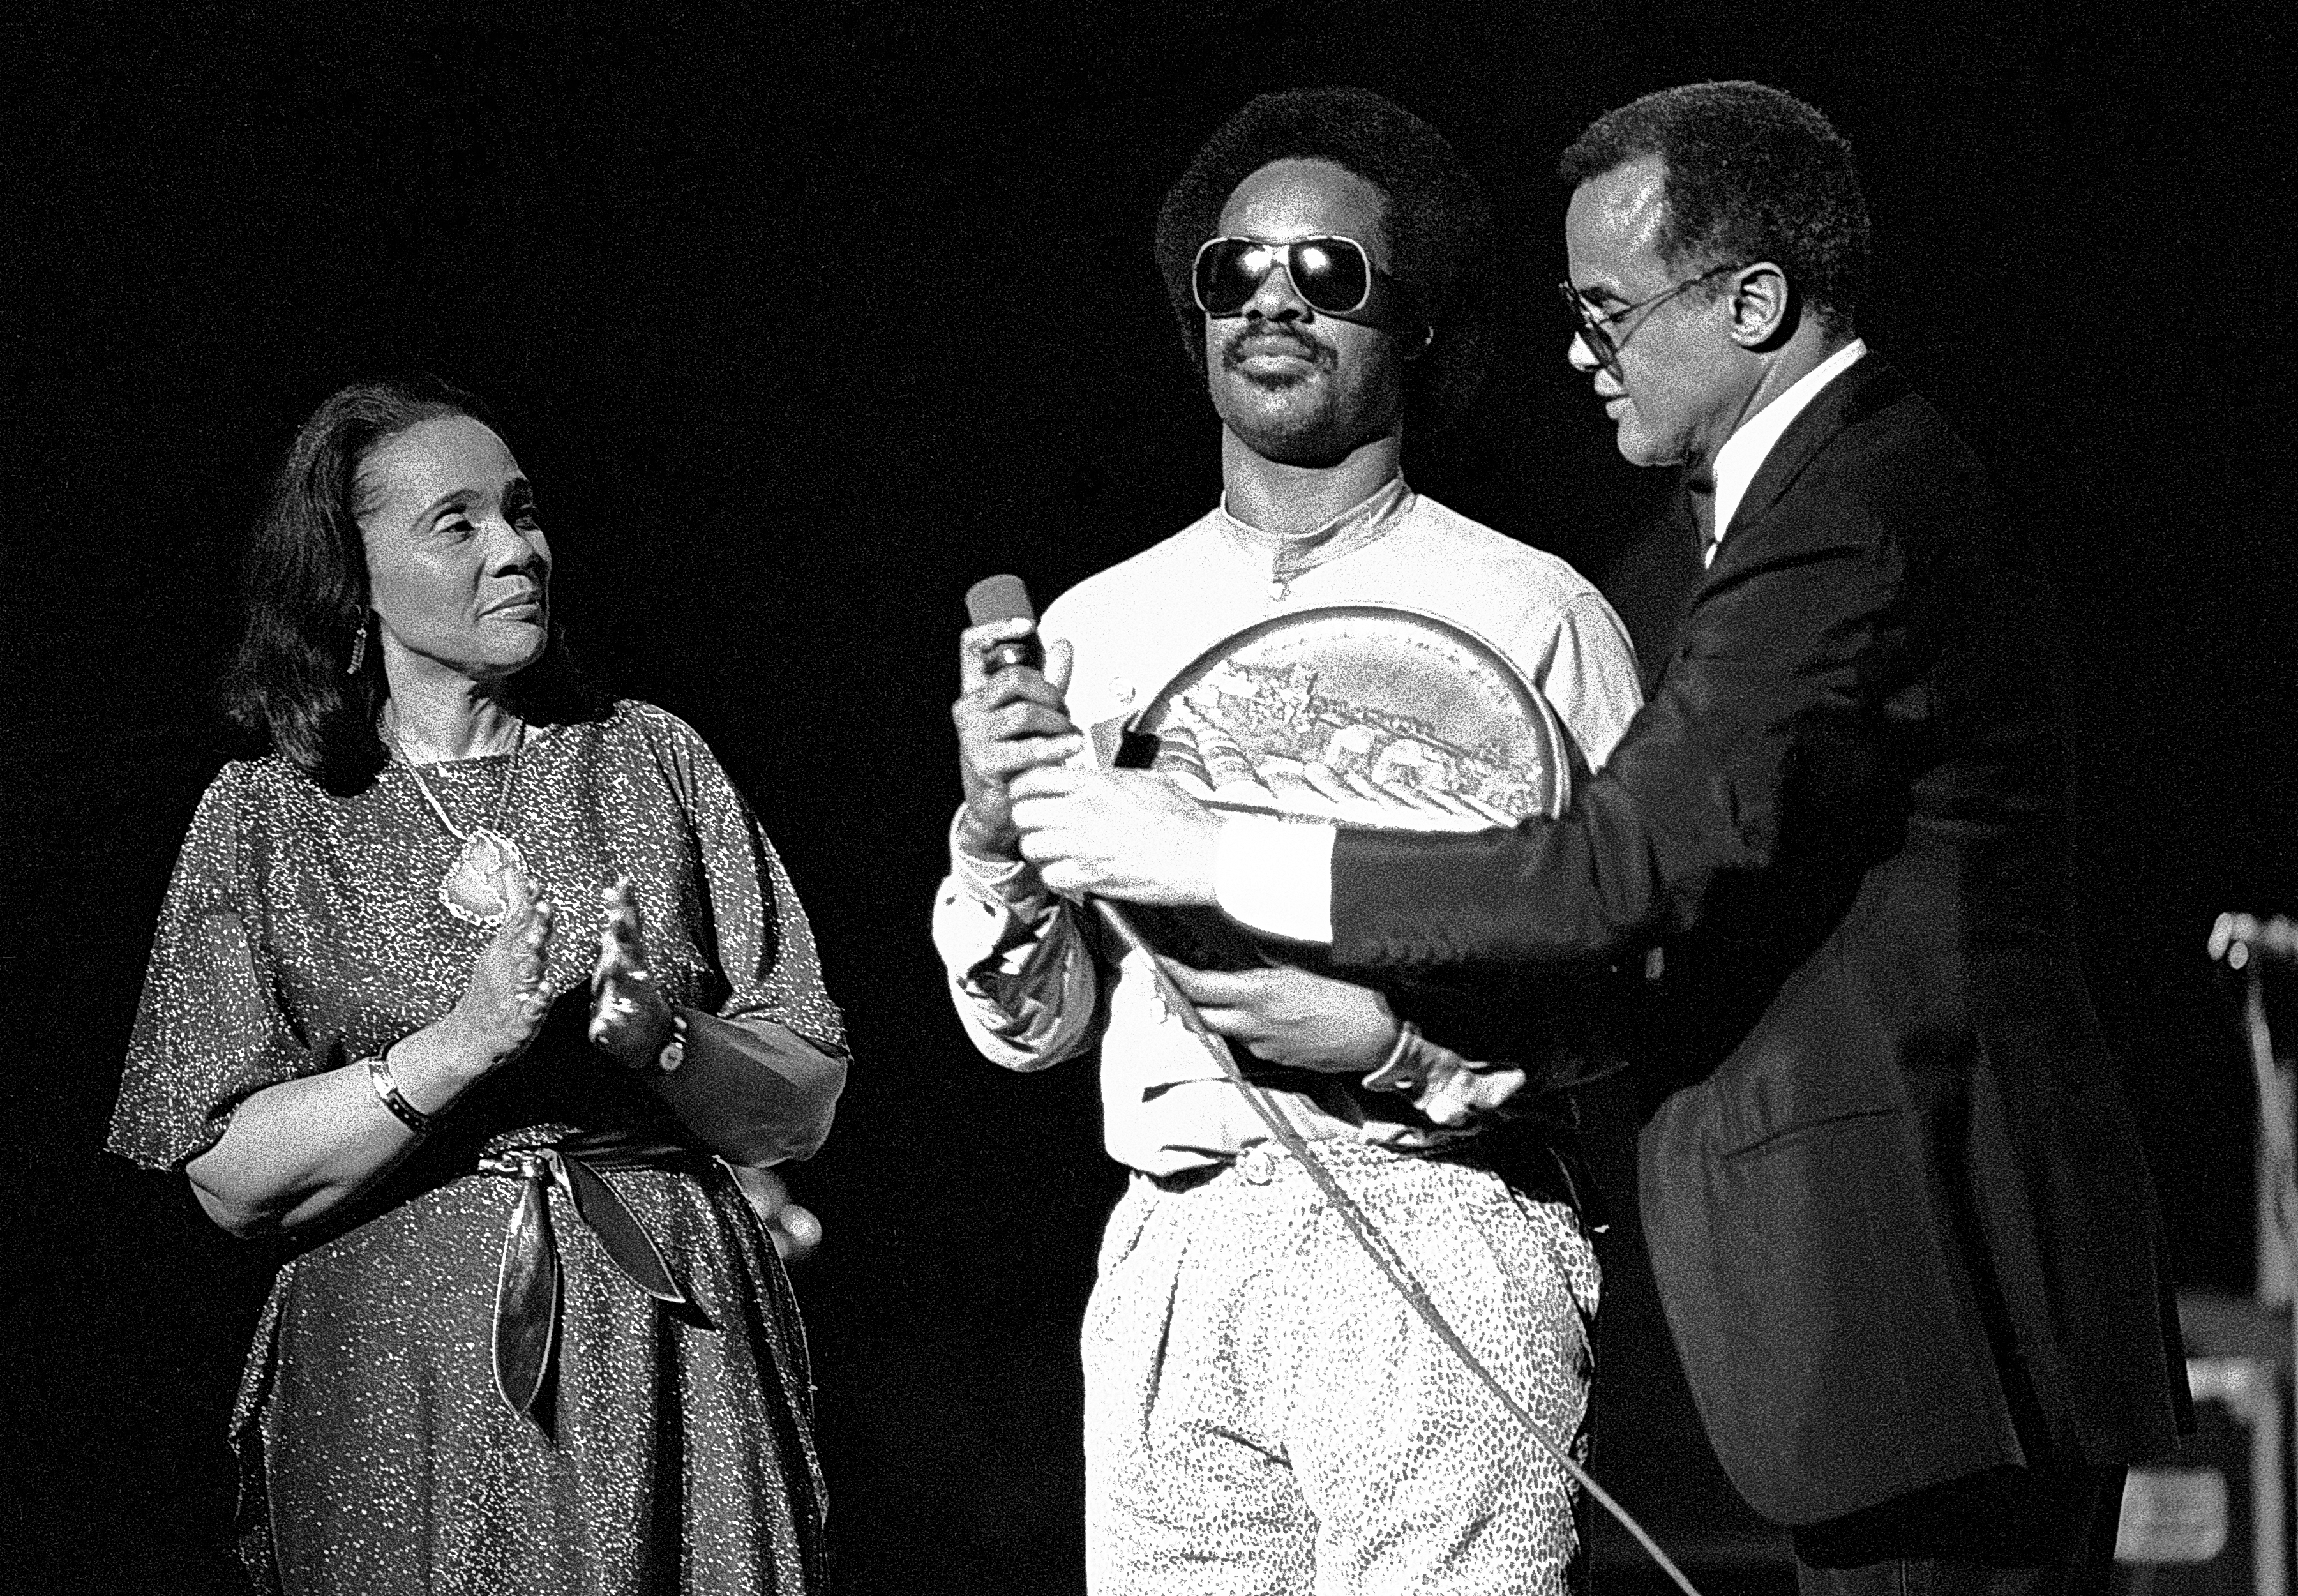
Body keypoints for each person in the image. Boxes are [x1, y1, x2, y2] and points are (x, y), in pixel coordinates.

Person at [1009, 80, 2194, 1596]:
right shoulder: (1800, 503)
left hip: (1928, 1280)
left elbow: (1617, 874)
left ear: (1753, 303)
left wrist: (1212, 853)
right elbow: (1698, 915)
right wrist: (1394, 1033)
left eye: (1610, 311)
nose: (1580, 351)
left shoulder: (1842, 517)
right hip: (1899, 1301)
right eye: (1231, 272)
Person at [936, 87, 1643, 1595]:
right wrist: (993, 843)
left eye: (1327, 272)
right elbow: (1034, 1030)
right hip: (1179, 1236)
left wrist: (1395, 1041)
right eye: (1234, 270)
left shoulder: (1538, 613)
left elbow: (1637, 977)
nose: (1272, 299)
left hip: (1446, 1206)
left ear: (1420, 323)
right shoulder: (1092, 629)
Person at [106, 378, 846, 1593]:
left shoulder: (648, 756)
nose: (517, 549)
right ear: (351, 578)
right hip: (399, 1376)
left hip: (667, 1348)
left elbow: (803, 1098)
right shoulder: (270, 814)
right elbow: (226, 1178)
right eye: (457, 524)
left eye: (523, 511)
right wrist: (458, 1045)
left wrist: (664, 1041)